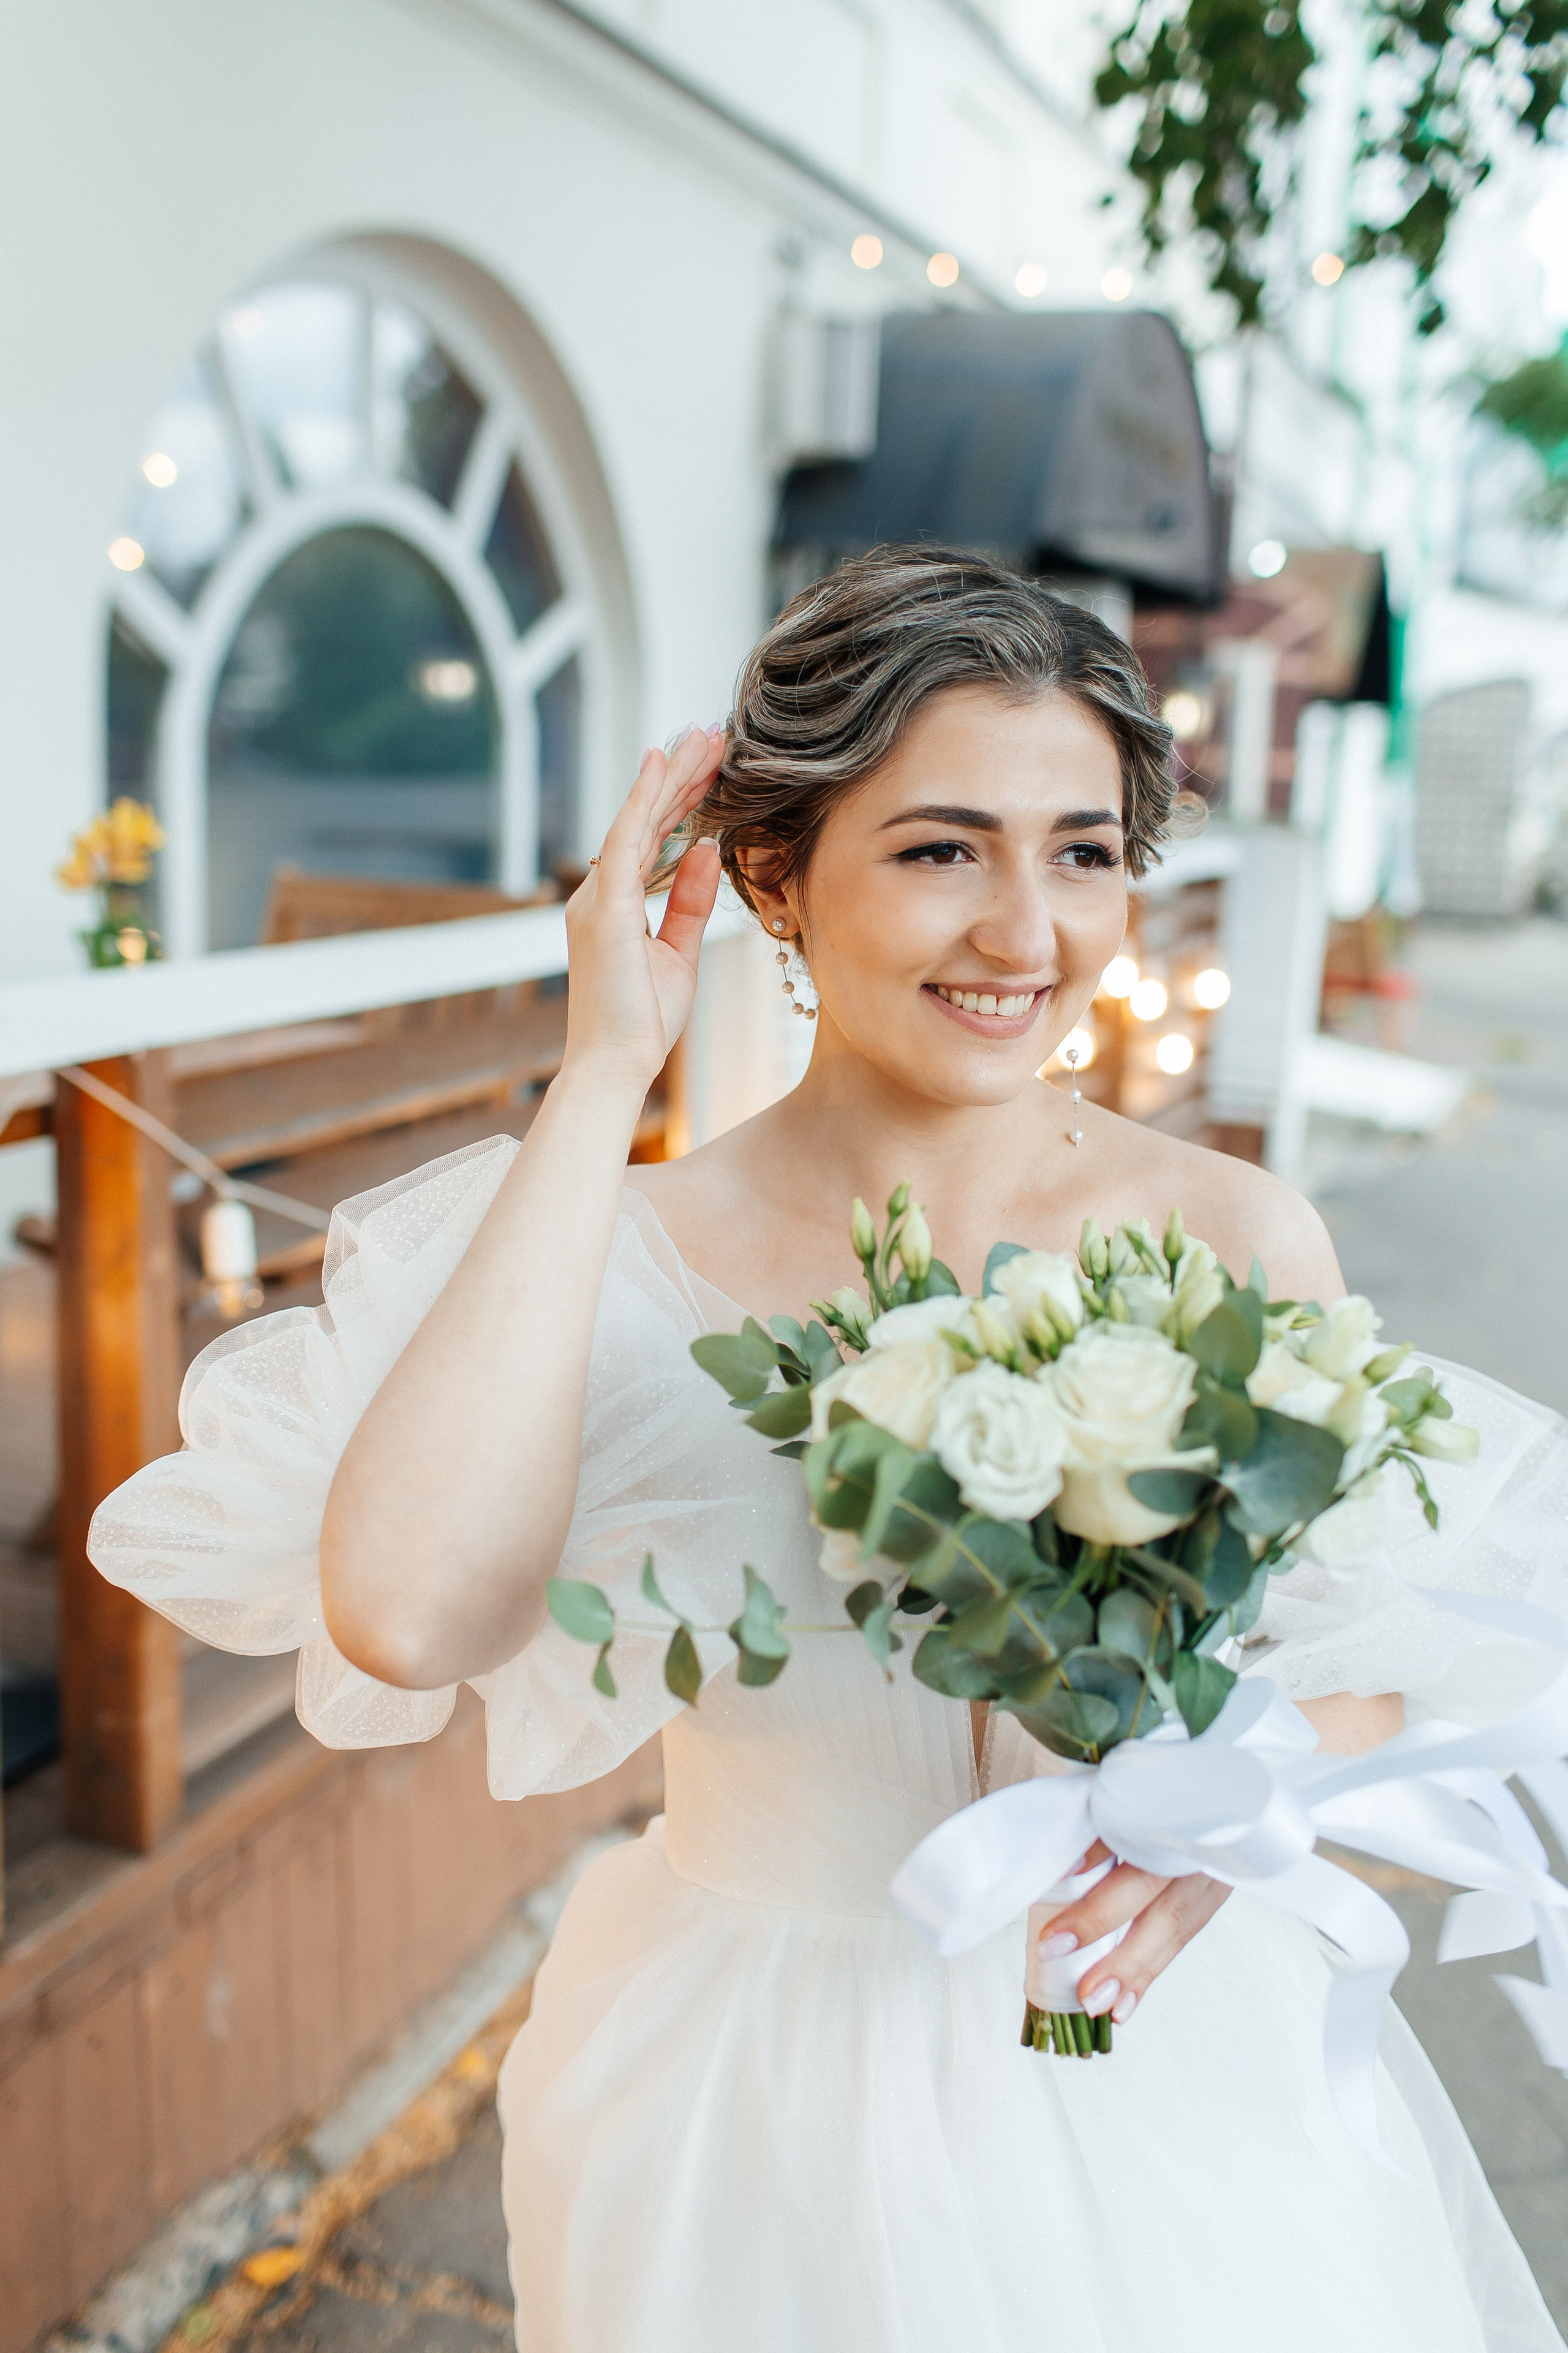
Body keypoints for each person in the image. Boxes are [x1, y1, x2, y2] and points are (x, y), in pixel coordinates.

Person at [91, 549, 1568, 2351]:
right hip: (756, 2102)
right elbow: (405, 1615)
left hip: (1172, 2079)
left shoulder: (1238, 1239)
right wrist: (596, 1079)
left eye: (1083, 849)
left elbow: (1392, 1673)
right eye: (943, 847)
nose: (1028, 935)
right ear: (773, 875)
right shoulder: (622, 1256)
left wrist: (1226, 1804)